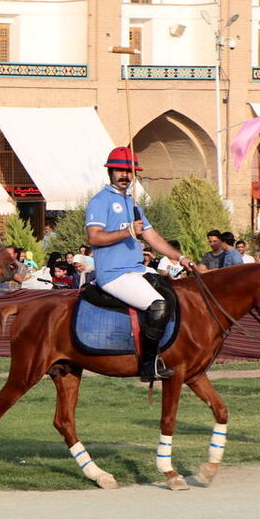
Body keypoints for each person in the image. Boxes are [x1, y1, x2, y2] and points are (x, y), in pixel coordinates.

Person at [85, 147, 196, 382]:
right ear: (110, 171)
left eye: (129, 171)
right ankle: (149, 364)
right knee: (158, 305)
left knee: (176, 295)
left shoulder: (132, 202)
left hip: (137, 269)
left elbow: (152, 236)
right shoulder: (100, 201)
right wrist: (126, 231)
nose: (125, 175)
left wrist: (181, 258)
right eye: (120, 170)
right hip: (114, 274)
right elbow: (94, 237)